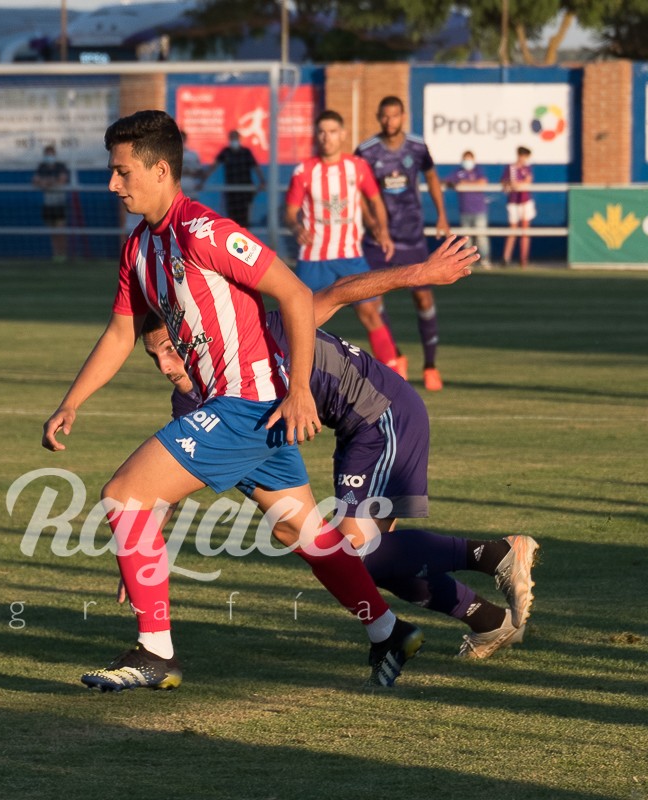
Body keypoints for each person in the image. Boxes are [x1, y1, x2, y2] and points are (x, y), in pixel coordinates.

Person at [41, 109, 424, 692]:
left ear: (161, 169)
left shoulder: (205, 232)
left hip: (246, 403)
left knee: (125, 496)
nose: (113, 184)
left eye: (122, 172)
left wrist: (299, 392)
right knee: (308, 534)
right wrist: (73, 402)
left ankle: (156, 653)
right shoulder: (139, 249)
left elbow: (296, 294)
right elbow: (122, 332)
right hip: (240, 411)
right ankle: (387, 631)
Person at [140, 238, 539, 659]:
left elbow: (339, 291)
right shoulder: (189, 400)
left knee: (354, 552)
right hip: (356, 433)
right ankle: (489, 621)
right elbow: (175, 474)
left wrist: (419, 274)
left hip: (383, 414)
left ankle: (496, 552)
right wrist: (145, 553)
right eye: (153, 356)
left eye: (170, 348)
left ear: (192, 334)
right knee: (372, 562)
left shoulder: (263, 332)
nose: (166, 366)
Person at [285, 109, 402, 372]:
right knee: (302, 321)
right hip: (314, 258)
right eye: (322, 132)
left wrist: (382, 230)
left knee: (371, 313)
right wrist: (296, 227)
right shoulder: (304, 171)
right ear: (317, 136)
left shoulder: (357, 167)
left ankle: (395, 373)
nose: (327, 137)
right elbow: (290, 212)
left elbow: (375, 200)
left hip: (350, 256)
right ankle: (293, 377)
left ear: (343, 135)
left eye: (333, 131)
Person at [356, 96, 451, 392]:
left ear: (403, 116)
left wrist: (442, 216)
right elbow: (357, 189)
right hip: (378, 240)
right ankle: (395, 355)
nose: (389, 121)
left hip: (411, 237)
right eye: (384, 116)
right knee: (372, 301)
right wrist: (372, 223)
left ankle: (431, 365)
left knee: (423, 299)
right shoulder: (366, 151)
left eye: (394, 116)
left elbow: (432, 178)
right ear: (378, 117)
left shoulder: (418, 147)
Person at [202, 129, 265, 228]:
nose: (234, 140)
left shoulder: (246, 152)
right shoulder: (226, 152)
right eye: (232, 138)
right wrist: (202, 180)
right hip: (231, 191)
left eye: (235, 138)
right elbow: (213, 167)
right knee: (232, 219)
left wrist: (262, 181)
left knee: (244, 219)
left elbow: (256, 167)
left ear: (239, 139)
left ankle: (245, 239)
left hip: (245, 191)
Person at [446, 150, 491, 268]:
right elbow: (446, 181)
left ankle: (485, 260)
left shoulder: (478, 170)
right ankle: (469, 261)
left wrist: (464, 183)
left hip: (479, 209)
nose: (467, 162)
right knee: (467, 238)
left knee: (481, 237)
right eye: (465, 159)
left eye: (469, 159)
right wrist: (454, 184)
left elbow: (483, 182)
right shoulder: (458, 172)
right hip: (465, 210)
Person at [32, 145, 71, 262]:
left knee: (61, 230)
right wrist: (50, 182)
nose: (49, 157)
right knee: (53, 231)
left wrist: (47, 182)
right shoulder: (42, 167)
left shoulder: (60, 166)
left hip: (60, 203)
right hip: (48, 204)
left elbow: (62, 179)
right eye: (47, 154)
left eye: (51, 154)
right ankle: (56, 255)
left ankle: (63, 254)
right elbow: (36, 181)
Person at [501, 146, 534, 269]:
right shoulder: (511, 168)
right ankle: (506, 258)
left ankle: (523, 259)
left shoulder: (527, 168)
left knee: (525, 231)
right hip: (513, 201)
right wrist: (511, 184)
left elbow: (528, 181)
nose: (524, 159)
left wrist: (518, 184)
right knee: (513, 230)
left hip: (525, 201)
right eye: (523, 156)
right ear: (519, 155)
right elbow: (505, 183)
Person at [179, 131, 204, 197]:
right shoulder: (169, 156)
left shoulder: (193, 155)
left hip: (191, 190)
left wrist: (190, 172)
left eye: (182, 137)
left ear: (185, 139)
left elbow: (200, 172)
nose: (181, 140)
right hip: (175, 193)